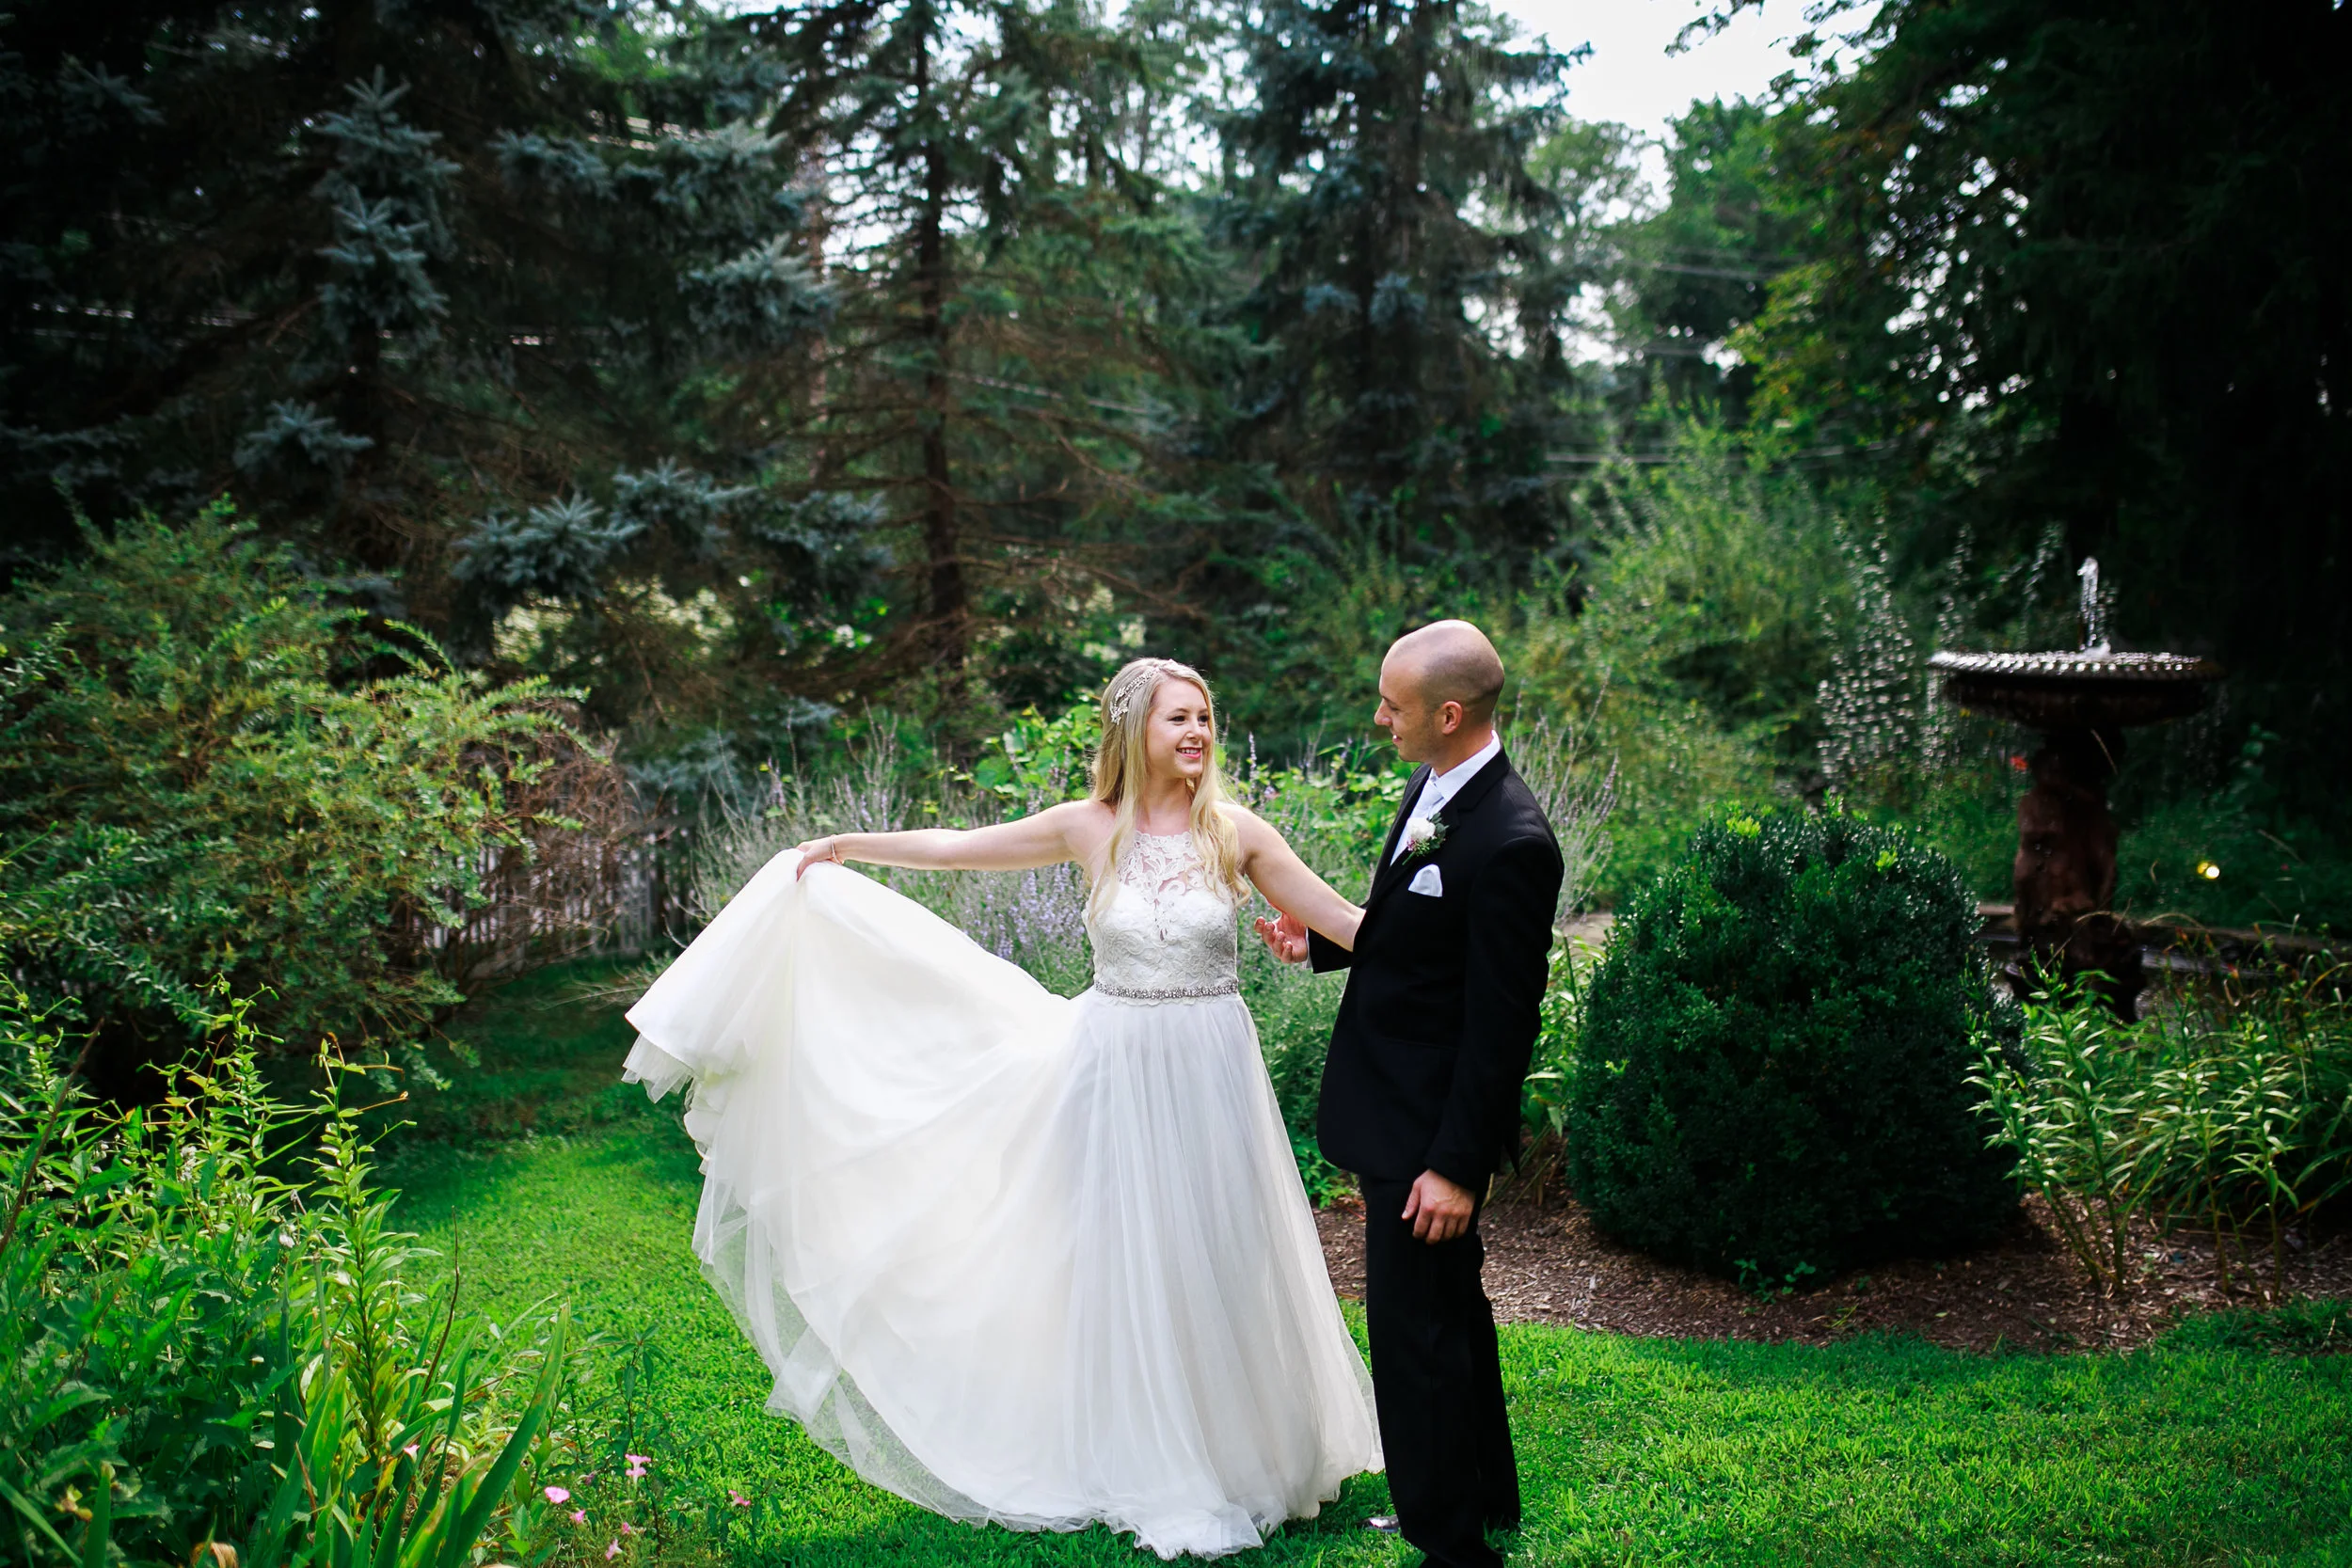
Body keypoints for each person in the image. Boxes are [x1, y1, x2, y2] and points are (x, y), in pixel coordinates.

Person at [618, 657, 1381, 1560]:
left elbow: (1344, 921)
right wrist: (848, 846)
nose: (1197, 733)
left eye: (1206, 716)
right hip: (1116, 1068)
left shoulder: (1237, 833)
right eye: (1178, 717)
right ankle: (1149, 1455)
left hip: (1214, 1069)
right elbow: (957, 844)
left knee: (1217, 1250)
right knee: (1128, 1261)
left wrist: (1459, 929)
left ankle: (1246, 1455)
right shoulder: (1089, 827)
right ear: (1132, 730)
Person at [1260, 620, 1562, 1568]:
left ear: (1448, 712)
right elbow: (1410, 925)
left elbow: (1498, 1021)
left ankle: (1449, 1541)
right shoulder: (1434, 786)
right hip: (1391, 1102)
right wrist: (1320, 944)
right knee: (1452, 1311)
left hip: (1426, 1130)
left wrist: (1454, 1164)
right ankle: (1483, 1495)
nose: (1378, 716)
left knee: (1414, 1328)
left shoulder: (1513, 840)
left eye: (1392, 704)